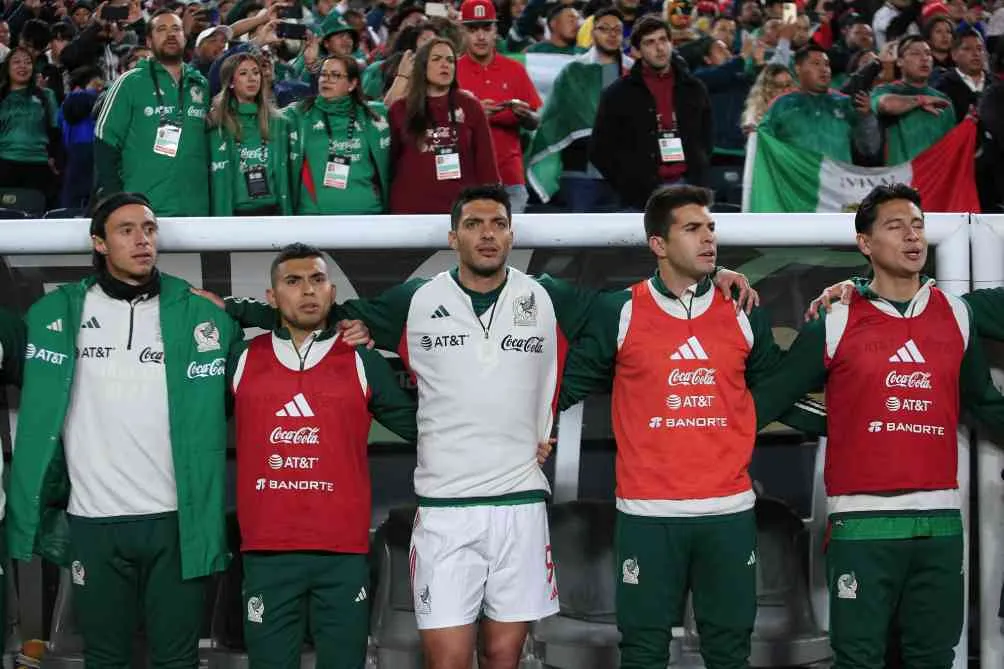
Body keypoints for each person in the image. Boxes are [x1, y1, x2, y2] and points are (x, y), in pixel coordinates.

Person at [556, 185, 825, 669]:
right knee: (643, 652)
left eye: (711, 229)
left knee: (729, 652)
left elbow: (775, 393)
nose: (708, 239)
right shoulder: (618, 311)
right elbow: (564, 388)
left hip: (727, 513)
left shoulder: (743, 310)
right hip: (647, 514)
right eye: (692, 229)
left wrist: (844, 423)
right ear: (658, 244)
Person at [753, 183, 1004, 669]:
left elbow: (983, 402)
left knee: (934, 658)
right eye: (895, 226)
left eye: (917, 225)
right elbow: (771, 399)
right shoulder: (836, 319)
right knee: (859, 660)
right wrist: (842, 424)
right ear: (865, 243)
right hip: (860, 525)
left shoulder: (957, 314)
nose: (912, 237)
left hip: (940, 524)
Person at [6, 192, 243, 668]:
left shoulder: (201, 315)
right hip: (94, 521)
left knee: (178, 660)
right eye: (127, 230)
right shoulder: (56, 317)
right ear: (98, 242)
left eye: (150, 230)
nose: (142, 240)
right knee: (106, 658)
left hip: (177, 521)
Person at [233, 243, 418, 669]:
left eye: (317, 280)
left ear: (333, 292)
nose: (307, 291)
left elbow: (425, 430)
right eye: (293, 282)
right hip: (267, 551)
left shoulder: (361, 361)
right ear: (272, 297)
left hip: (343, 553)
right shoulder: (242, 360)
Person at [94, 9, 211, 215]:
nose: (171, 34)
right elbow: (105, 141)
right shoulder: (130, 82)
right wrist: (115, 198)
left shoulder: (201, 84)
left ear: (185, 37)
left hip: (197, 209)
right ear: (148, 41)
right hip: (144, 211)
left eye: (176, 29)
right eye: (162, 29)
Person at [590, 16, 712, 209]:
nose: (659, 48)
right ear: (637, 52)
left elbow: (706, 138)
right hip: (639, 196)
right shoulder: (617, 93)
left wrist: (698, 171)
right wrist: (628, 184)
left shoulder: (694, 88)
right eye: (650, 42)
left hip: (689, 189)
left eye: (663, 40)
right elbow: (600, 149)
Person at [525, 7, 630, 211]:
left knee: (621, 239)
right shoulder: (573, 72)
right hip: (580, 175)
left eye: (617, 30)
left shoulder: (633, 72)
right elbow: (553, 119)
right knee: (579, 238)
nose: (611, 34)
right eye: (604, 29)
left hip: (624, 176)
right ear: (592, 33)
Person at [387, 38, 499, 214]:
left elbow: (487, 165)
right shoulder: (400, 109)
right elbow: (389, 163)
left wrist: (490, 206)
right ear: (423, 66)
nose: (445, 65)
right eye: (437, 59)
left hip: (460, 211)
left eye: (450, 60)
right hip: (409, 210)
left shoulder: (470, 106)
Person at [456, 0, 541, 214]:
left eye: (487, 28)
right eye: (473, 29)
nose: (481, 36)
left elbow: (535, 122)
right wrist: (473, 115)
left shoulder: (514, 69)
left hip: (509, 177)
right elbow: (435, 124)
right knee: (465, 245)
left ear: (496, 30)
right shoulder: (452, 70)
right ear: (462, 32)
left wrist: (524, 115)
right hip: (464, 177)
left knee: (510, 244)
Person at [288, 54, 391, 214]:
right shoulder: (299, 114)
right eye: (323, 74)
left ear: (352, 84)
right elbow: (263, 114)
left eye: (335, 75)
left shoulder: (374, 114)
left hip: (368, 215)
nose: (326, 79)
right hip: (315, 217)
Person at [759, 43, 874, 163]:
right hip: (798, 179)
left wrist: (867, 118)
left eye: (827, 64)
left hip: (836, 179)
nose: (824, 69)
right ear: (798, 69)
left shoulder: (846, 103)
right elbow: (764, 144)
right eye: (816, 64)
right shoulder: (781, 104)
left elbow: (869, 148)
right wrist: (755, 134)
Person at [209, 52, 291, 216]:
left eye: (255, 72)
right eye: (243, 73)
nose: (252, 78)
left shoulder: (278, 122)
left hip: (273, 213)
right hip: (234, 215)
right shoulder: (217, 123)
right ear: (231, 82)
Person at [871, 35, 955, 163]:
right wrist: (920, 100)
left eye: (928, 54)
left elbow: (951, 147)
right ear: (899, 61)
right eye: (915, 54)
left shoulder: (942, 100)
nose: (924, 59)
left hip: (935, 177)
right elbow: (886, 105)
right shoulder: (885, 90)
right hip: (901, 178)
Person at [0, 46, 61, 207]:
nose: (23, 66)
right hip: (5, 163)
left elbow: (55, 130)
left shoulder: (46, 96)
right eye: (17, 62)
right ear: (7, 68)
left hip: (38, 164)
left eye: (28, 62)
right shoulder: (2, 97)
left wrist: (54, 158)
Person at [934, 28, 988, 123]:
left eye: (979, 49)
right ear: (954, 54)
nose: (976, 54)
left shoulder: (996, 85)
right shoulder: (943, 87)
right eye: (967, 49)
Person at [740, 63, 796, 132]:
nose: (786, 90)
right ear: (766, 89)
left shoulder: (799, 109)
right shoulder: (754, 118)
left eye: (788, 84)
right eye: (779, 86)